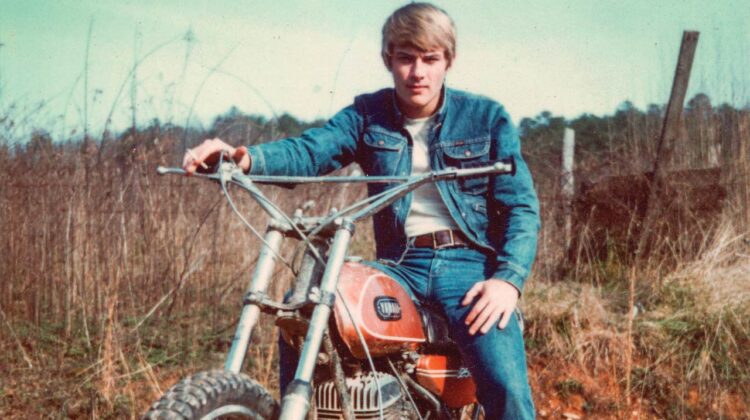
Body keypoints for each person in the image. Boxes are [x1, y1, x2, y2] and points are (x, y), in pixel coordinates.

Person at [183, 3, 539, 418]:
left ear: (449, 61)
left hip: (469, 265)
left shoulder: (486, 118)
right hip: (400, 264)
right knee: (304, 302)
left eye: (430, 59)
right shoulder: (368, 114)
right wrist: (242, 159)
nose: (418, 72)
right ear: (388, 59)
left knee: (507, 388)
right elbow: (311, 150)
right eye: (406, 58)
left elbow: (520, 208)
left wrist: (507, 282)